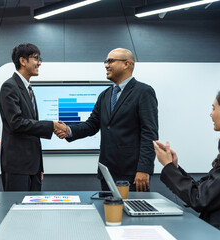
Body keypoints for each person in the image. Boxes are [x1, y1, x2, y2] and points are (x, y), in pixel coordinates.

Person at [56, 48, 158, 192]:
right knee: (109, 214)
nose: (106, 65)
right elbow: (92, 125)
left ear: (126, 64)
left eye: (111, 61)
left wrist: (144, 169)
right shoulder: (105, 95)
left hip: (133, 174)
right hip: (107, 174)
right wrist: (69, 130)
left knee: (132, 214)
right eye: (106, 61)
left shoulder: (143, 92)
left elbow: (150, 133)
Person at [153, 85, 220, 227]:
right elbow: (203, 189)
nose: (211, 114)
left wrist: (168, 167)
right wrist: (174, 167)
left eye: (214, 109)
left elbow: (200, 198)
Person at [0, 43, 66, 191]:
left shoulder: (28, 89)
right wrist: (51, 125)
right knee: (17, 211)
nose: (39, 63)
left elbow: (32, 132)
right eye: (36, 58)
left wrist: (39, 166)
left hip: (32, 167)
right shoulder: (9, 87)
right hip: (18, 167)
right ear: (23, 61)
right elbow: (16, 123)